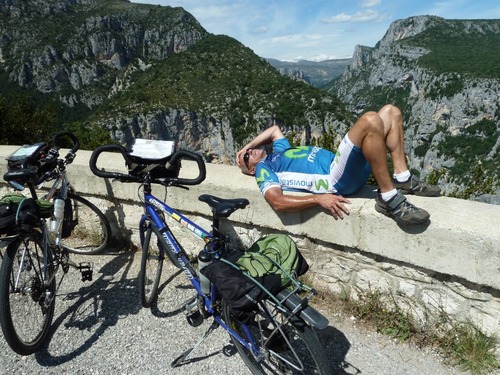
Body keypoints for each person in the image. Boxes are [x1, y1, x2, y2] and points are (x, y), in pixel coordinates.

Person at [236, 104, 440, 225]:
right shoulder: (264, 169)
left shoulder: (279, 153)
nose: (250, 152)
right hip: (335, 178)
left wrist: (246, 146)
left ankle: (402, 178)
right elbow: (277, 201)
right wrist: (318, 199)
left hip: (347, 169)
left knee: (390, 111)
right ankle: (388, 197)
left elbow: (273, 130)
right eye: (246, 158)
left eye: (248, 151)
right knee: (369, 119)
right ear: (252, 170)